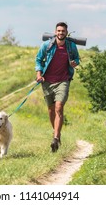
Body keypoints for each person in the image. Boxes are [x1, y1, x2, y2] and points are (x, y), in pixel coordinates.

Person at [35, 22, 80, 152]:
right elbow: (38, 59)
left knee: (59, 107)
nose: (61, 33)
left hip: (63, 81)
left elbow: (77, 59)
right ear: (55, 32)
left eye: (63, 31)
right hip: (47, 81)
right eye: (59, 31)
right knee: (51, 109)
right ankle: (57, 134)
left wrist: (74, 63)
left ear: (66, 32)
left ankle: (55, 138)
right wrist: (39, 74)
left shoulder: (71, 46)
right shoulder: (47, 45)